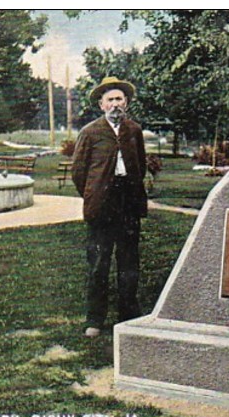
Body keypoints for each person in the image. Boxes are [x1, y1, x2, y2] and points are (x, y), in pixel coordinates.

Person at [71, 76, 148, 338]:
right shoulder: (90, 133)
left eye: (119, 99)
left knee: (129, 262)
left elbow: (141, 165)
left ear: (126, 103)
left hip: (128, 203)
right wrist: (94, 195)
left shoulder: (134, 131)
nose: (116, 104)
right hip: (102, 205)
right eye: (110, 100)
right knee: (99, 263)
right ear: (102, 105)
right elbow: (79, 173)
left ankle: (128, 315)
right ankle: (95, 318)